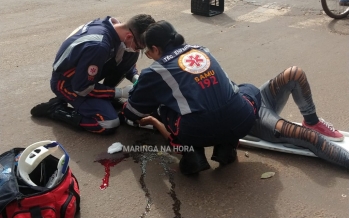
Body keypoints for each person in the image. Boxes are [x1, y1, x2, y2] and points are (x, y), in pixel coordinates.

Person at [122, 20, 349, 175]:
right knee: (249, 90)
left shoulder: (156, 70)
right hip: (244, 110)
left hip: (236, 113)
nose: (148, 57)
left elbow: (132, 111)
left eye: (148, 52)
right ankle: (225, 146)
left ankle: (313, 121)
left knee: (294, 74)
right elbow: (233, 88)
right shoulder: (201, 49)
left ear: (155, 48)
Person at [31, 14, 155, 134]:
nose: (139, 50)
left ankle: (105, 98)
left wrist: (135, 77)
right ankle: (56, 109)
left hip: (83, 73)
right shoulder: (99, 46)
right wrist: (120, 92)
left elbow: (125, 59)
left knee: (130, 53)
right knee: (108, 122)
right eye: (139, 46)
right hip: (67, 83)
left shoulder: (115, 28)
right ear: (129, 36)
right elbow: (82, 88)